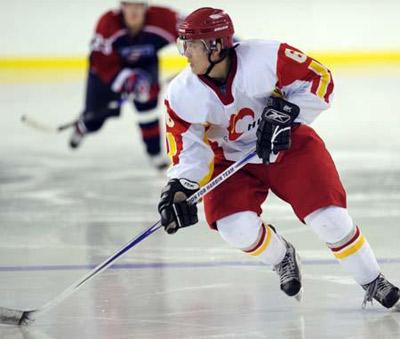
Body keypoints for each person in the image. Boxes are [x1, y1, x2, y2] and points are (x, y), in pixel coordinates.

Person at [157, 7, 400, 309]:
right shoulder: (181, 92)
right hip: (232, 160)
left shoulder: (265, 57)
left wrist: (288, 111)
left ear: (216, 46)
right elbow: (187, 148)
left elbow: (321, 80)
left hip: (289, 147)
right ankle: (283, 256)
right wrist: (181, 187)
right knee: (236, 229)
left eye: (192, 45)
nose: (185, 53)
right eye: (184, 44)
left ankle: (372, 279)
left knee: (330, 219)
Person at [70, 0, 181, 170]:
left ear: (145, 7)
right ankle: (83, 126)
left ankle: (154, 153)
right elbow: (100, 61)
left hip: (145, 67)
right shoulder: (108, 23)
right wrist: (127, 80)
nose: (134, 11)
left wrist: (228, 42)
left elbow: (196, 30)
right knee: (96, 118)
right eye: (129, 5)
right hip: (105, 73)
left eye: (138, 6)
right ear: (121, 7)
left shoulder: (163, 18)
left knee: (148, 110)